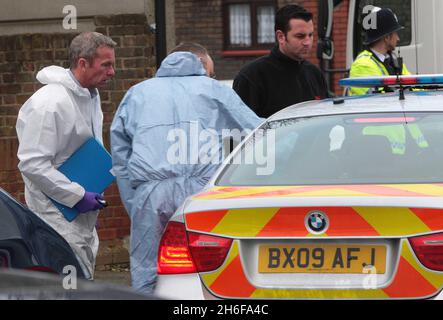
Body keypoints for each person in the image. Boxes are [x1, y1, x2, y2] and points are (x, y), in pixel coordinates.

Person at [110, 42, 261, 294]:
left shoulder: (137, 93)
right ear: (201, 65)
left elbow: (120, 154)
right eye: (209, 72)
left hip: (150, 193)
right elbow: (256, 130)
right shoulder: (213, 89)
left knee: (148, 269)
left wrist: (134, 201)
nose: (210, 77)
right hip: (201, 191)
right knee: (207, 265)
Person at [16, 32, 116, 279]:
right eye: (106, 65)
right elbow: (32, 163)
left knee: (80, 282)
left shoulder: (89, 95)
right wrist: (77, 195)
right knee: (68, 284)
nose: (112, 72)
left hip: (78, 215)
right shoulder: (50, 103)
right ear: (83, 63)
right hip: (55, 213)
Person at [233, 4, 329, 118]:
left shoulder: (315, 74)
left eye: (311, 35)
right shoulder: (252, 77)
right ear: (281, 37)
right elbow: (239, 128)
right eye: (300, 36)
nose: (307, 42)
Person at [349, 7, 411, 95]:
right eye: (395, 34)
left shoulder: (393, 60)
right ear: (387, 37)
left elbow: (412, 86)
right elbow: (380, 99)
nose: (398, 39)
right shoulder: (362, 65)